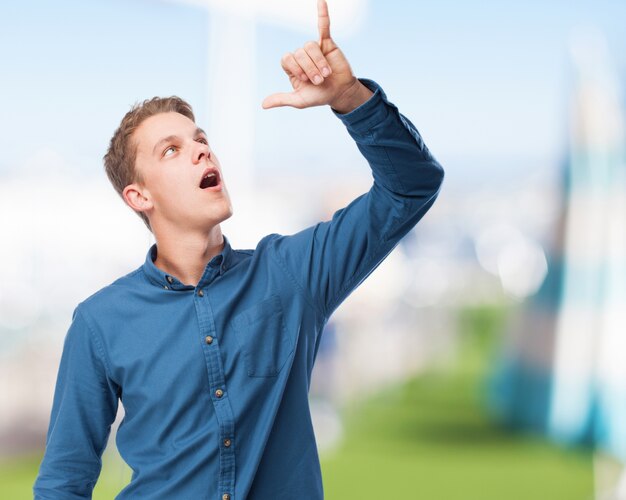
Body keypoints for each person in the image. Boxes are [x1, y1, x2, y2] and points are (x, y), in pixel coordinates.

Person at [33, 1, 444, 498]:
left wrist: (350, 98)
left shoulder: (291, 275)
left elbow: (412, 188)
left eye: (200, 139)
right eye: (172, 150)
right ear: (139, 196)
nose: (202, 150)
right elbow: (63, 479)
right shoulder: (100, 322)